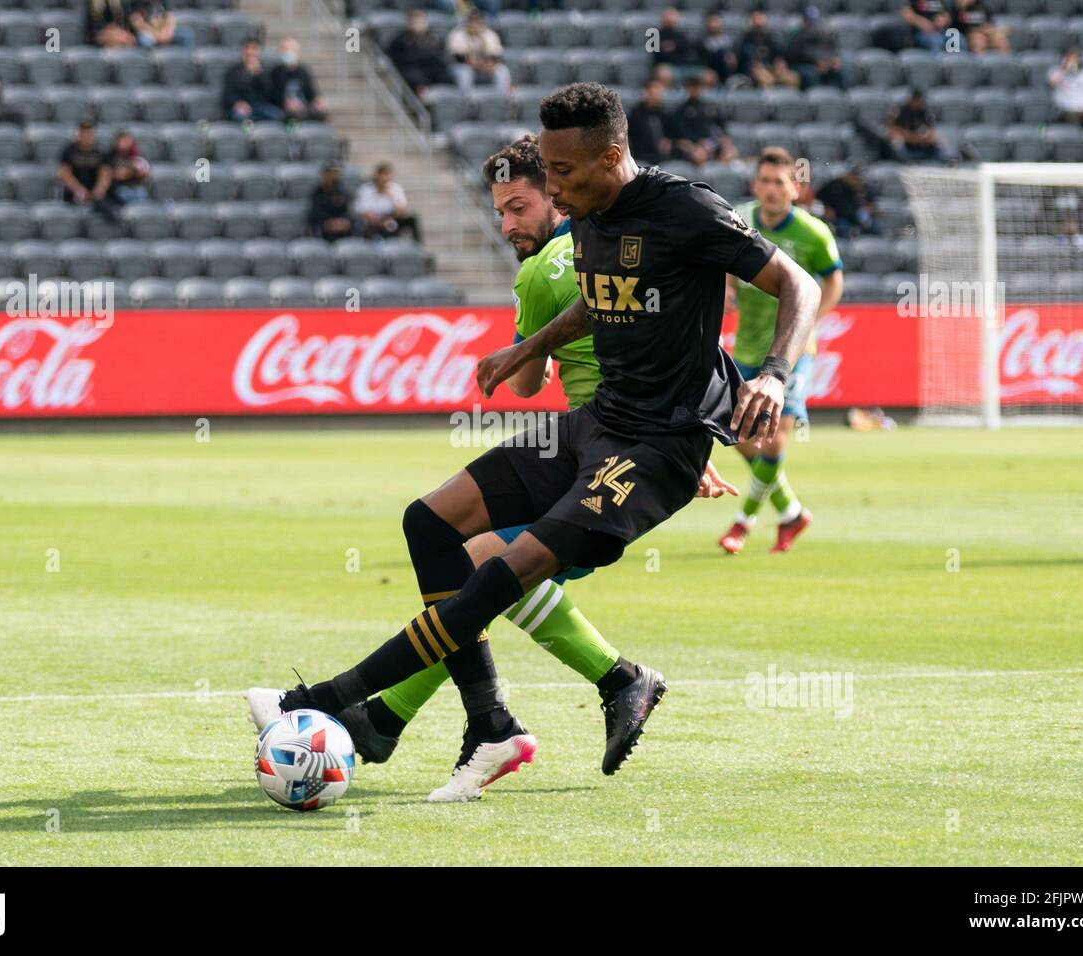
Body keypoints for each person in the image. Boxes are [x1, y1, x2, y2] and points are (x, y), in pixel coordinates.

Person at [246, 82, 820, 802]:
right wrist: (530, 349)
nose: (554, 187)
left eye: (564, 174)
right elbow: (600, 295)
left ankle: (330, 700)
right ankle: (488, 721)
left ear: (613, 155)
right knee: (429, 520)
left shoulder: (686, 209)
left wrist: (771, 373)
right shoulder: (586, 211)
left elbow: (797, 282)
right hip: (595, 423)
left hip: (655, 450)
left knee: (502, 571)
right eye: (546, 174)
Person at [323, 135, 724, 771]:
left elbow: (527, 384)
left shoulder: (542, 271)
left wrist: (525, 341)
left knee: (478, 568)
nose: (508, 224)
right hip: (641, 444)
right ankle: (397, 718)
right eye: (500, 213)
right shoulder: (612, 247)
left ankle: (394, 715)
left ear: (555, 199)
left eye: (518, 208)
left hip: (602, 456)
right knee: (488, 575)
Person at [719, 148, 843, 555]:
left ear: (795, 187)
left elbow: (833, 281)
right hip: (749, 344)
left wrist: (810, 325)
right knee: (734, 432)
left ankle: (743, 522)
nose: (772, 190)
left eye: (780, 182)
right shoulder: (739, 220)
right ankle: (790, 512)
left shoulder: (812, 233)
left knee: (772, 441)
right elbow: (722, 263)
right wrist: (729, 288)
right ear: (756, 185)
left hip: (790, 352)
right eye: (765, 182)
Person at [385, 7, 453, 99]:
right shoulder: (400, 40)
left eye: (420, 20)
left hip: (433, 69)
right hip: (413, 70)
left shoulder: (434, 37)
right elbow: (397, 57)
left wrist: (423, 54)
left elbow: (440, 54)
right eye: (414, 21)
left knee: (447, 75)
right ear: (408, 22)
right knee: (413, 75)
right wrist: (423, 54)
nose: (417, 24)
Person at [672, 74, 738, 165]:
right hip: (692, 143)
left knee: (731, 152)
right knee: (699, 154)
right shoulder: (681, 110)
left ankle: (718, 173)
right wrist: (698, 142)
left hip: (710, 141)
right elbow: (682, 132)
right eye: (692, 86)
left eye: (697, 86)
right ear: (687, 88)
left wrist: (724, 138)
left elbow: (720, 122)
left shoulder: (708, 106)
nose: (695, 90)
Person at [58, 120, 116, 219]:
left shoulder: (100, 150)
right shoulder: (69, 150)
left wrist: (98, 191)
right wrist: (79, 190)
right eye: (83, 132)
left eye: (89, 132)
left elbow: (105, 173)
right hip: (74, 192)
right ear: (79, 133)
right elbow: (64, 173)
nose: (86, 135)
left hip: (94, 191)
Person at [446, 8, 510, 94]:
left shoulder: (490, 34)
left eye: (477, 20)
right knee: (465, 72)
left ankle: (501, 99)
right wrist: (476, 64)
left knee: (502, 70)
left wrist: (489, 64)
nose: (474, 23)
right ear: (467, 21)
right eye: (472, 20)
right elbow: (458, 58)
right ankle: (467, 101)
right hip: (462, 66)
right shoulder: (457, 34)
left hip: (484, 66)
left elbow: (496, 55)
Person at [353, 163, 419, 241]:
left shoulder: (396, 188)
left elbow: (402, 210)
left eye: (387, 175)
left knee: (411, 219)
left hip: (391, 219)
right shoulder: (366, 189)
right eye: (383, 175)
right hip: (373, 221)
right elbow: (361, 210)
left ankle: (418, 246)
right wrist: (378, 221)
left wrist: (391, 197)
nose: (385, 178)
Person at [885, 88, 953, 163]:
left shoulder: (925, 111)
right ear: (911, 99)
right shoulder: (899, 110)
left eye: (921, 100)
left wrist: (926, 137)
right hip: (905, 141)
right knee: (897, 142)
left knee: (939, 142)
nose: (919, 103)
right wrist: (909, 136)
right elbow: (891, 129)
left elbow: (931, 130)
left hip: (919, 141)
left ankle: (948, 161)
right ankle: (902, 163)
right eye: (917, 100)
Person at [223, 40, 284, 123]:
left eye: (254, 49)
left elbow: (270, 92)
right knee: (239, 117)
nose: (250, 53)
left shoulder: (265, 71)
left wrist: (258, 73)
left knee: (278, 115)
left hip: (260, 105)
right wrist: (238, 103)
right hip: (241, 105)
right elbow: (228, 94)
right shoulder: (232, 71)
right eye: (247, 49)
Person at [269, 37, 327, 122]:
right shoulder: (275, 72)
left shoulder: (303, 71)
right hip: (284, 110)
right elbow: (271, 95)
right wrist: (285, 102)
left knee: (321, 115)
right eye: (285, 49)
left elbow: (311, 93)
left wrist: (317, 100)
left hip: (303, 107)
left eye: (291, 50)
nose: (288, 52)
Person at [787, 6, 844, 90]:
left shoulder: (823, 33)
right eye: (809, 20)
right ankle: (814, 100)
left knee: (839, 72)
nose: (812, 23)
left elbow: (831, 48)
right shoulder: (797, 33)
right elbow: (796, 53)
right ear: (804, 20)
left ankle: (840, 99)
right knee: (811, 74)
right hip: (803, 64)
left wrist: (833, 59)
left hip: (824, 63)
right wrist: (816, 62)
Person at [739, 10, 799, 89]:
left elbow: (779, 56)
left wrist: (780, 64)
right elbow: (746, 61)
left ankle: (789, 100)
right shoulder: (745, 39)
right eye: (757, 24)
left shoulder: (771, 39)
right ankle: (768, 101)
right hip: (752, 71)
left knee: (792, 78)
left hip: (771, 68)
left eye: (762, 23)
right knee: (766, 78)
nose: (760, 26)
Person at [816, 166, 879, 238]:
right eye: (855, 178)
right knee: (843, 227)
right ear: (849, 176)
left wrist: (871, 208)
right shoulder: (836, 186)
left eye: (859, 179)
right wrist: (826, 207)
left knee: (875, 228)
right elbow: (841, 207)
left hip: (857, 217)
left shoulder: (863, 188)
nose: (857, 181)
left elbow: (871, 202)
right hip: (840, 218)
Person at [1048, 48, 1083, 126]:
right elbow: (1051, 83)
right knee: (1072, 118)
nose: (1072, 62)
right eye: (1069, 59)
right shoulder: (1056, 72)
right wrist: (1065, 71)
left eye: (1075, 59)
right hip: (1067, 109)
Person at [627, 79, 675, 167]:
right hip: (641, 156)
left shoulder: (664, 114)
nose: (655, 96)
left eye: (657, 93)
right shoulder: (635, 114)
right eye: (652, 92)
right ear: (646, 93)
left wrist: (668, 141)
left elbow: (671, 134)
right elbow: (629, 136)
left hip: (661, 157)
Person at [307, 162, 354, 241]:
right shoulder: (317, 192)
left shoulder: (342, 192)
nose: (333, 176)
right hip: (323, 224)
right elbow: (315, 212)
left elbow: (345, 210)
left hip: (340, 224)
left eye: (335, 174)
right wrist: (329, 222)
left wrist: (342, 220)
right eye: (330, 173)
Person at [107, 131, 150, 205]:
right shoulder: (111, 156)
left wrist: (130, 171)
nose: (125, 143)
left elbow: (144, 172)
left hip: (135, 187)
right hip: (119, 188)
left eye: (127, 140)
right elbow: (118, 174)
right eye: (123, 140)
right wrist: (132, 170)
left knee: (142, 194)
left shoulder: (135, 155)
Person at [129, 0, 194, 48]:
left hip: (163, 31)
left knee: (186, 33)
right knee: (144, 40)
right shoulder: (137, 2)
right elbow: (137, 23)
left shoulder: (164, 1)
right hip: (148, 32)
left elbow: (170, 17)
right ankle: (153, 64)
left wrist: (168, 32)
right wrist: (158, 35)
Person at [700, 12, 739, 86]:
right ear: (706, 24)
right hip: (710, 69)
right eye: (711, 21)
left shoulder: (729, 40)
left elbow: (735, 56)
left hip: (730, 69)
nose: (713, 25)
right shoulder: (701, 41)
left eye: (716, 21)